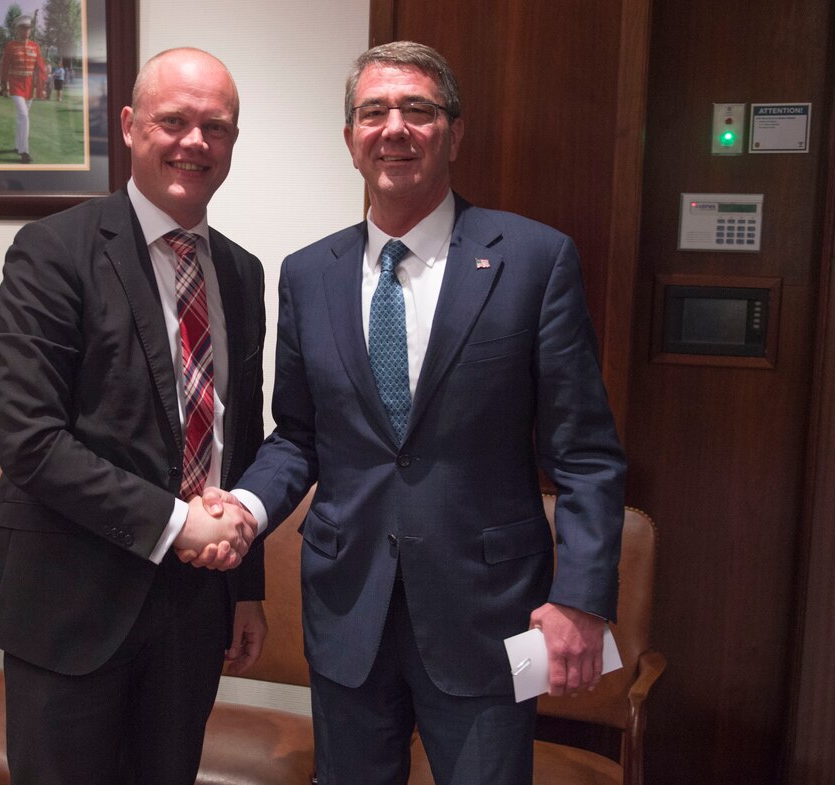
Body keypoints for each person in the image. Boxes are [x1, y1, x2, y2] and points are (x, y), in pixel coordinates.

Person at [195, 41, 627, 785]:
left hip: (489, 615)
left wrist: (581, 600)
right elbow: (300, 435)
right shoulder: (308, 273)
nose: (394, 127)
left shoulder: (534, 258)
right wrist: (243, 505)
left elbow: (585, 452)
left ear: (454, 132)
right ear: (351, 140)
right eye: (374, 112)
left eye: (418, 110)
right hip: (346, 609)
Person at [0, 47, 267, 785]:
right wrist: (176, 521)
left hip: (194, 610)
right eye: (174, 121)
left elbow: (241, 434)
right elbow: (31, 441)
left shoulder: (242, 271)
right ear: (130, 126)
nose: (195, 142)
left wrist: (247, 587)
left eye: (216, 127)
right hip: (68, 603)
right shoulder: (53, 250)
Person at [0, 16, 47, 162]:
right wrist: (3, 85)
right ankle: (24, 152)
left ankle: (17, 145)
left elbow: (40, 68)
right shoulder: (11, 46)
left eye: (28, 28)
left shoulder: (35, 46)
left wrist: (42, 87)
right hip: (15, 85)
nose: (26, 31)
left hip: (29, 87)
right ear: (18, 30)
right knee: (24, 116)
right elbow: (5, 66)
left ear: (30, 30)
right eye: (23, 28)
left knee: (22, 118)